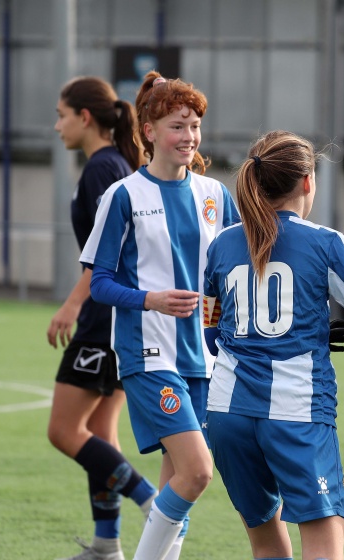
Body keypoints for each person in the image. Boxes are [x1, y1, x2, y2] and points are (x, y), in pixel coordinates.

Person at [202, 130, 344, 560]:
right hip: (297, 411)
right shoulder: (325, 242)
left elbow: (211, 333)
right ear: (308, 182)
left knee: (267, 545)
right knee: (324, 544)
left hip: (225, 414)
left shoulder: (220, 244)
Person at [80, 71, 240, 560]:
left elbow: (234, 275)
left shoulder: (215, 196)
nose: (188, 136)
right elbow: (99, 282)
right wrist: (150, 299)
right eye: (177, 126)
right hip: (147, 355)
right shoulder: (124, 195)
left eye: (194, 125)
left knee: (179, 483)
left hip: (204, 360)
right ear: (148, 130)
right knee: (198, 471)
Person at [46, 76, 158, 560]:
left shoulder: (101, 170)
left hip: (101, 320)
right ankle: (107, 545)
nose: (56, 126)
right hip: (119, 318)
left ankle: (155, 503)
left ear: (84, 117)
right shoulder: (113, 166)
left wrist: (73, 304)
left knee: (65, 431)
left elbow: (103, 255)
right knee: (103, 436)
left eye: (61, 114)